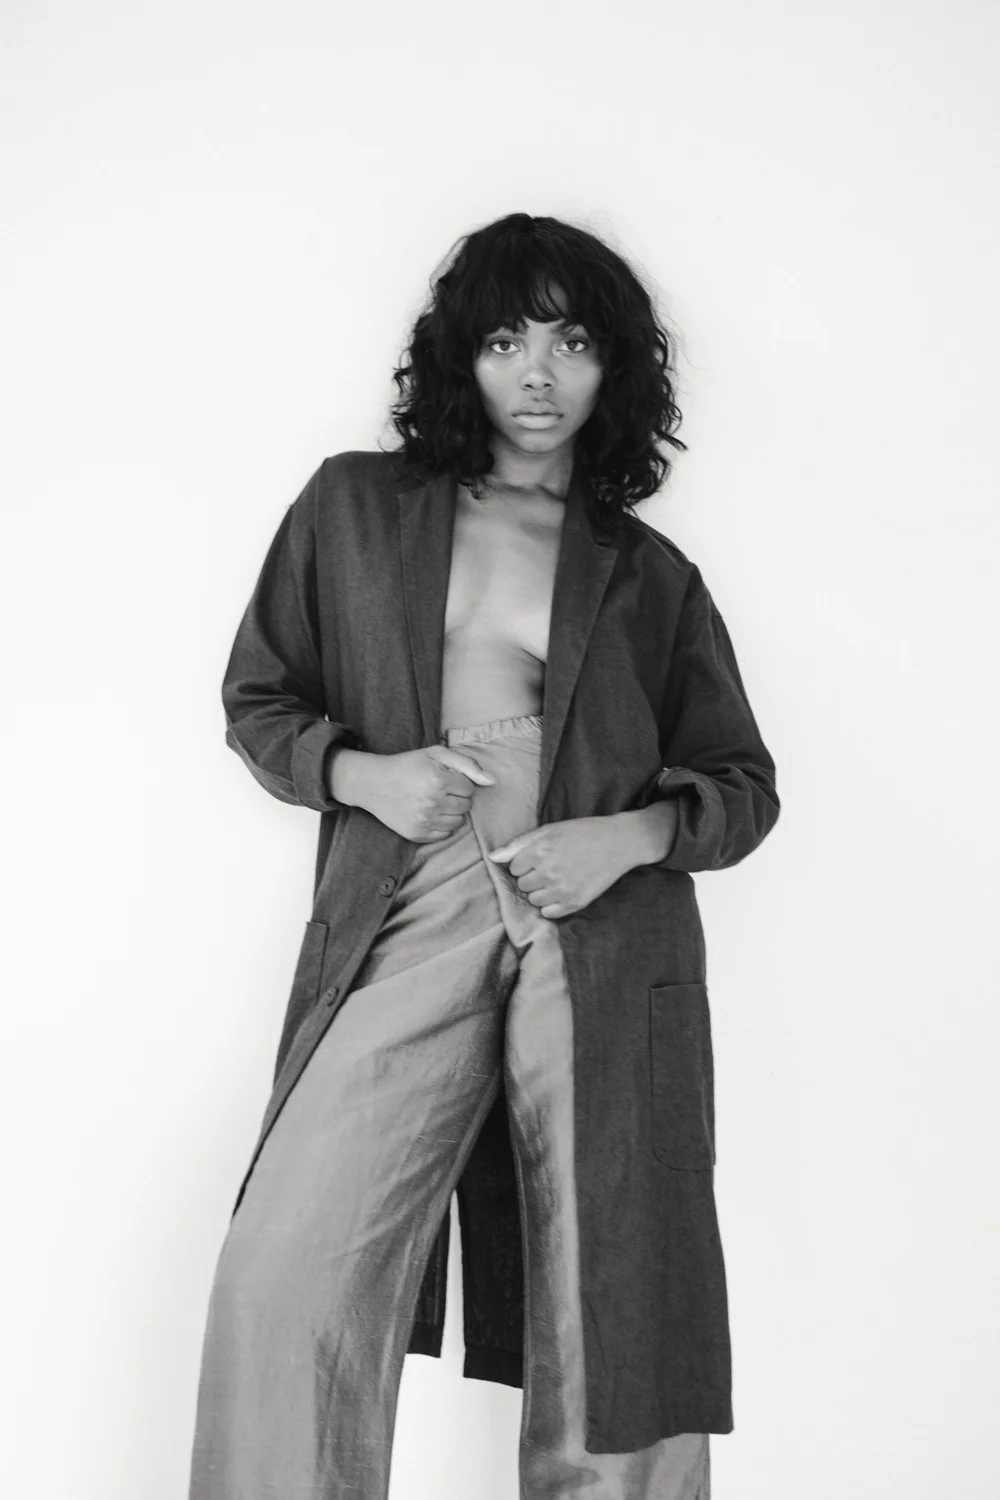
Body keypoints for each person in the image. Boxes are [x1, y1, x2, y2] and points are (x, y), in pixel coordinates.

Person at [188, 211, 780, 1500]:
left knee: (612, 1293)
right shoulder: (357, 507)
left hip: (597, 928)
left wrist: (627, 838)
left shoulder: (651, 576)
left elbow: (743, 786)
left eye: (571, 342)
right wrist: (367, 775)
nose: (538, 373)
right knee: (288, 1268)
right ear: (461, 357)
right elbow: (259, 698)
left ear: (613, 365)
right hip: (415, 894)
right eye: (506, 340)